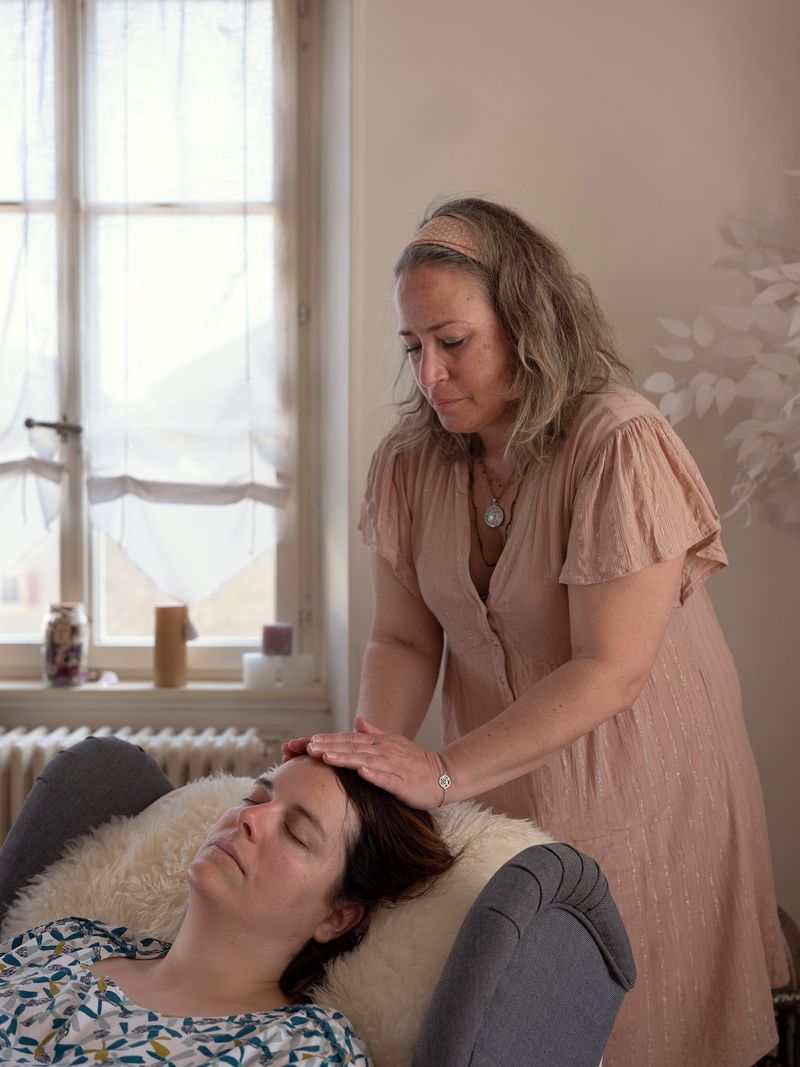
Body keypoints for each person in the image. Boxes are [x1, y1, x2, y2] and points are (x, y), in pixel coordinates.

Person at [284, 198, 788, 1066]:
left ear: (527, 324)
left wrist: (441, 771)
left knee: (652, 1019)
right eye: (413, 348)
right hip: (502, 784)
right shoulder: (408, 463)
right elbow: (403, 642)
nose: (430, 375)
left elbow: (610, 669)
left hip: (650, 774)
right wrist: (374, 757)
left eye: (452, 342)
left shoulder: (618, 442)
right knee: (533, 1018)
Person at [0, 737, 455, 1065]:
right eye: (255, 798)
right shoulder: (70, 940)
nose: (250, 818)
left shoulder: (295, 1049)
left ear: (337, 916)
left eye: (296, 833)